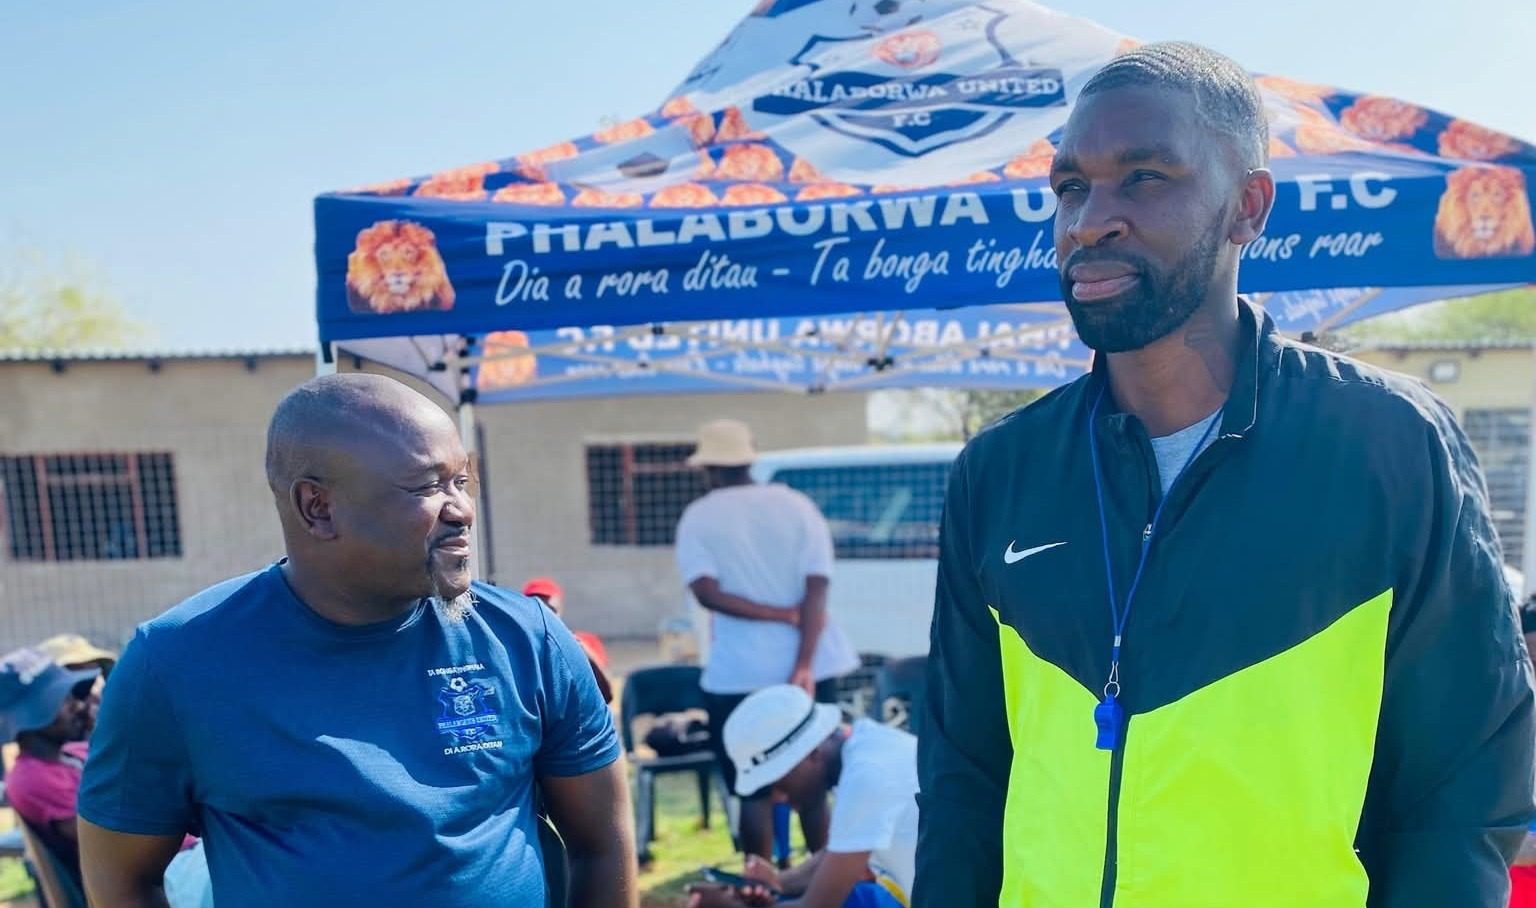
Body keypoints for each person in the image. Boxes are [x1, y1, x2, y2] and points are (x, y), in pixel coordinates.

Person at [916, 42, 1535, 908]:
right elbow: (961, 786)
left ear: (1247, 207)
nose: (1090, 219)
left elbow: (1461, 797)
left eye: (1144, 178)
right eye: (1069, 187)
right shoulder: (999, 469)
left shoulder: (1388, 447)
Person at [77, 373, 638, 908]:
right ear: (317, 508)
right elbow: (121, 880)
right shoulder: (176, 665)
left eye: (460, 481)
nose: (461, 510)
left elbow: (603, 845)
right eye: (426, 486)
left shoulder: (529, 640)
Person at [675, 418, 859, 860]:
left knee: (752, 785)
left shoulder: (699, 516)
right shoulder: (797, 505)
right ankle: (823, 888)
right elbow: (818, 587)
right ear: (748, 460)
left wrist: (775, 615)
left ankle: (758, 889)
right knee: (814, 790)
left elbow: (706, 592)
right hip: (813, 666)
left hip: (738, 674)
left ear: (708, 469)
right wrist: (804, 665)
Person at [0, 647, 213, 907]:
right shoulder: (32, 778)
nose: (79, 705)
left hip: (180, 857)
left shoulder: (73, 751)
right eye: (62, 701)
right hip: (160, 876)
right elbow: (113, 842)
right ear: (30, 717)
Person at [688, 684, 914, 908]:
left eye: (779, 783)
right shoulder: (865, 743)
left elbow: (816, 905)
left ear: (811, 754)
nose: (777, 798)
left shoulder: (867, 777)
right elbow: (840, 853)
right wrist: (776, 882)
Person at [524, 576, 615, 703]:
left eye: (549, 610)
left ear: (559, 608)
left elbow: (607, 694)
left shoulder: (584, 642)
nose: (543, 617)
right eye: (536, 610)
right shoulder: (520, 648)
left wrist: (582, 652)